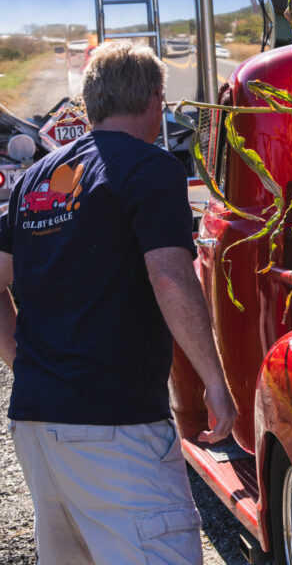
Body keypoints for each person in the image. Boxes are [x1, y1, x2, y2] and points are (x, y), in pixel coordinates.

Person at [0, 41, 237, 565]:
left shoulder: (36, 178)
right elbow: (170, 278)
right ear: (154, 100)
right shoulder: (149, 168)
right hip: (114, 430)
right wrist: (216, 384)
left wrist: (25, 363)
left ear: (90, 104)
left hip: (36, 428)